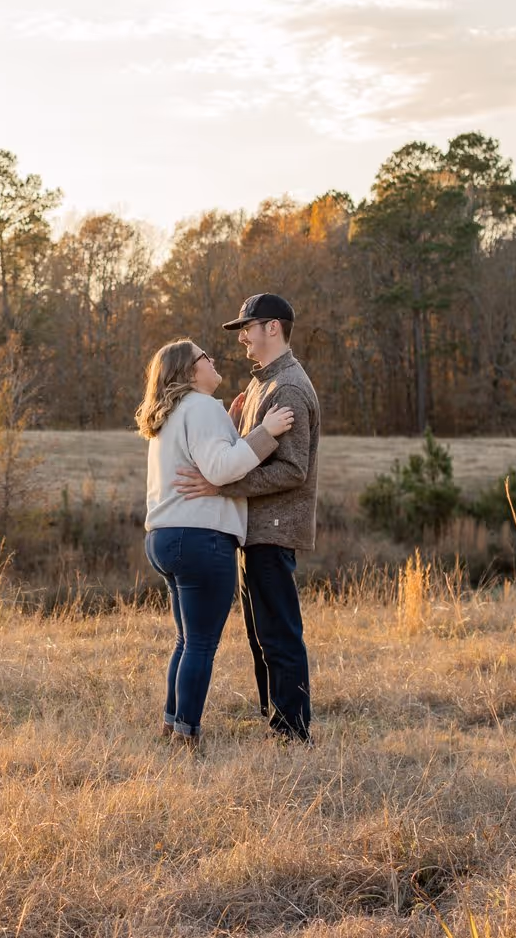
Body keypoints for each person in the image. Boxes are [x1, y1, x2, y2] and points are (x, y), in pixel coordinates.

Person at [175, 292, 320, 741]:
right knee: (260, 631)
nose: (242, 339)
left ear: (271, 328)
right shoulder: (262, 384)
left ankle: (292, 731)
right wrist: (240, 424)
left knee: (278, 631)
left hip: (273, 529)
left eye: (247, 328)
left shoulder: (288, 387)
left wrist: (224, 486)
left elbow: (293, 470)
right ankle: (274, 717)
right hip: (253, 527)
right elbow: (255, 452)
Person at [138, 337, 296, 748]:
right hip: (200, 539)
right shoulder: (201, 407)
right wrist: (265, 432)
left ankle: (172, 723)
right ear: (191, 372)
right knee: (202, 644)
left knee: (186, 639)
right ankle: (187, 736)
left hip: (163, 538)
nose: (211, 360)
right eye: (203, 357)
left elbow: (204, 453)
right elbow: (221, 468)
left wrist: (230, 421)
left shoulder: (171, 414)